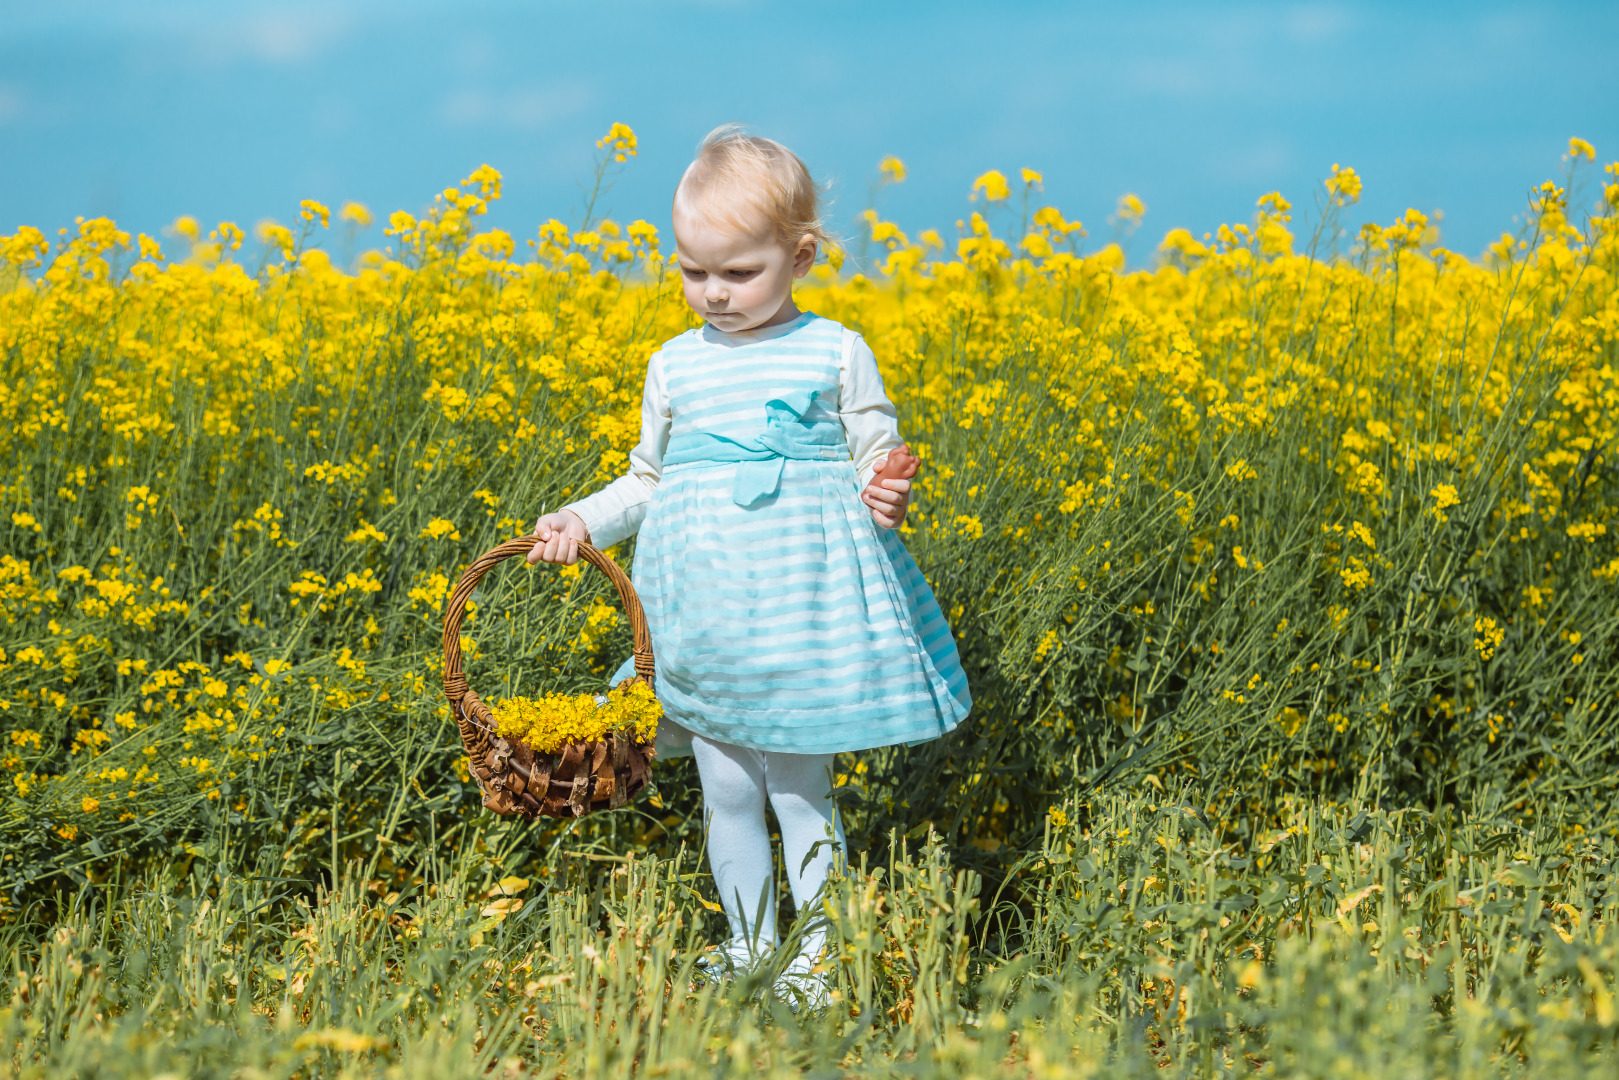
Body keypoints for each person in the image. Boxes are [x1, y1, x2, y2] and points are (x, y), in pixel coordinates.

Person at [527, 124, 971, 1003]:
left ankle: (820, 958)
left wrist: (886, 489)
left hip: (800, 616)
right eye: (694, 273)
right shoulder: (674, 365)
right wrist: (579, 518)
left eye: (738, 273)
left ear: (800, 256)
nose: (715, 294)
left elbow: (874, 454)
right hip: (705, 617)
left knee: (801, 791)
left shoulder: (833, 349)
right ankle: (750, 944)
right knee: (725, 789)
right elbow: (647, 480)